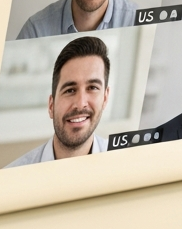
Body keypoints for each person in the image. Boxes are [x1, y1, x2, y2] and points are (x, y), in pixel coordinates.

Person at [6, 36, 111, 166]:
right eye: (70, 90)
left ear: (105, 98)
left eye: (92, 88)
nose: (80, 103)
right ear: (51, 105)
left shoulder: (125, 164)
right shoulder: (14, 175)